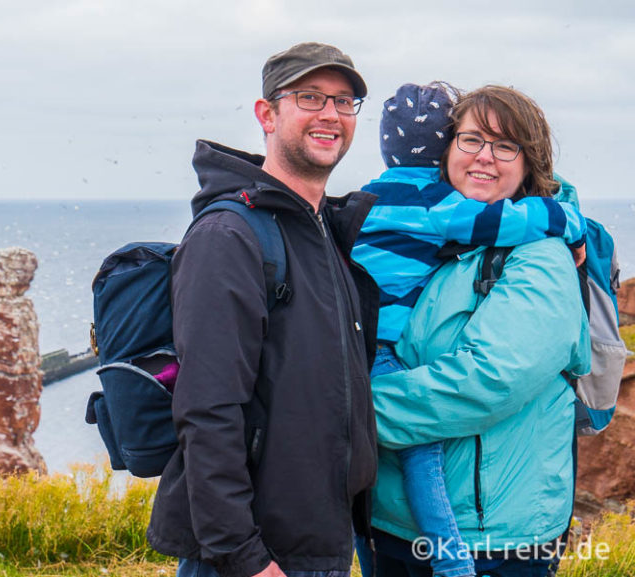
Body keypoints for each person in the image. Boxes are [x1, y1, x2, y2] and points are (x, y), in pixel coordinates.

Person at [146, 42, 380, 577]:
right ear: (267, 114)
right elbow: (207, 410)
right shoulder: (229, 236)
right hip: (256, 559)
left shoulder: (319, 231)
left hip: (319, 542)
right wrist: (245, 556)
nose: (330, 114)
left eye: (344, 102)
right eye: (310, 97)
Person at [350, 83, 588, 577]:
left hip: (491, 542)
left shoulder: (539, 254)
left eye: (505, 146)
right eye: (471, 139)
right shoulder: (436, 237)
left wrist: (338, 414)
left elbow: (487, 383)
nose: (485, 157)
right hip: (391, 526)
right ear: (446, 147)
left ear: (529, 162)